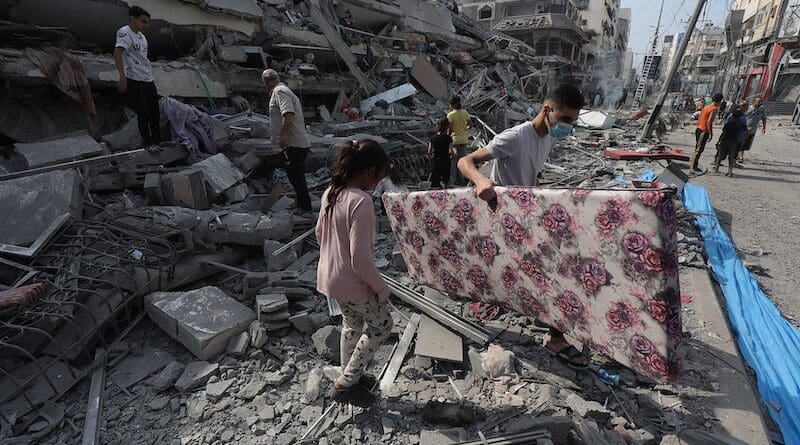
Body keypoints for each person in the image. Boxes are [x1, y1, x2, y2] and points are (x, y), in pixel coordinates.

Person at [457, 83, 588, 369]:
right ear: (547, 110)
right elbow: (465, 161)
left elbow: (531, 172)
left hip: (525, 217)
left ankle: (549, 326)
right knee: (551, 272)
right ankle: (555, 337)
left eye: (573, 121)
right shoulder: (516, 137)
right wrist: (481, 181)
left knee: (544, 271)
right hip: (504, 219)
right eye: (565, 119)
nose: (568, 126)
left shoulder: (548, 138)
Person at [315, 139, 394, 392]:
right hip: (354, 282)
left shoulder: (332, 192)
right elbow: (360, 259)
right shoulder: (361, 201)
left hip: (329, 278)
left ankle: (348, 372)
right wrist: (380, 287)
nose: (377, 184)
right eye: (379, 177)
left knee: (351, 324)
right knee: (382, 327)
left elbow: (319, 233)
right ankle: (347, 381)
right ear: (371, 172)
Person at [262, 69, 313, 214]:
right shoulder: (284, 90)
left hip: (294, 143)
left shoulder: (280, 92)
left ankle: (306, 208)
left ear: (266, 83)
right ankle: (301, 204)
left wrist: (283, 134)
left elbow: (288, 113)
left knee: (296, 176)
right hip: (295, 143)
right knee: (293, 175)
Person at [115, 6, 160, 147]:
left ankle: (157, 142)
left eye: (147, 22)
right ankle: (148, 144)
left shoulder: (142, 37)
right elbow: (118, 53)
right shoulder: (124, 33)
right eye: (143, 21)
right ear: (132, 19)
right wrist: (122, 78)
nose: (146, 25)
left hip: (148, 78)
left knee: (155, 112)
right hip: (135, 79)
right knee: (143, 113)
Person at [689, 93, 723, 173]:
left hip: (699, 128)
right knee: (699, 149)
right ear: (719, 101)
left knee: (697, 148)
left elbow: (700, 118)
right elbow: (709, 122)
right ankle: (692, 167)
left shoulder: (706, 107)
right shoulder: (713, 109)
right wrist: (711, 133)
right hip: (704, 130)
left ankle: (694, 165)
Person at [712, 109, 746, 177]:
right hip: (733, 142)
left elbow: (723, 133)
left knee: (720, 155)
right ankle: (729, 172)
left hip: (725, 141)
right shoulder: (740, 125)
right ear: (739, 117)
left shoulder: (728, 124)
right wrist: (741, 140)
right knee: (731, 157)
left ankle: (716, 169)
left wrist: (718, 141)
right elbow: (745, 132)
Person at [447, 97, 472, 186]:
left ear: (452, 104)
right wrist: (464, 130)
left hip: (454, 140)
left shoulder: (451, 115)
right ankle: (461, 179)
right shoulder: (465, 112)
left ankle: (453, 180)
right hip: (464, 140)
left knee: (453, 161)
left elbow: (450, 129)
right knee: (462, 160)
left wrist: (447, 138)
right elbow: (470, 125)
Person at [428, 117, 455, 189]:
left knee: (435, 183)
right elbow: (450, 151)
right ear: (447, 127)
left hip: (436, 161)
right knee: (446, 181)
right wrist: (453, 155)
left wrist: (431, 156)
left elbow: (429, 151)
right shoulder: (449, 138)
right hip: (446, 161)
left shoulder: (433, 138)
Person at [739, 97, 767, 165]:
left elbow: (764, 118)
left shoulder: (762, 109)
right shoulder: (748, 108)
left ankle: (738, 155)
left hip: (753, 130)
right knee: (742, 142)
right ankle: (740, 156)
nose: (760, 103)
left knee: (746, 144)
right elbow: (741, 116)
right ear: (754, 102)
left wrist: (764, 127)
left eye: (761, 102)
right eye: (758, 101)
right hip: (745, 128)